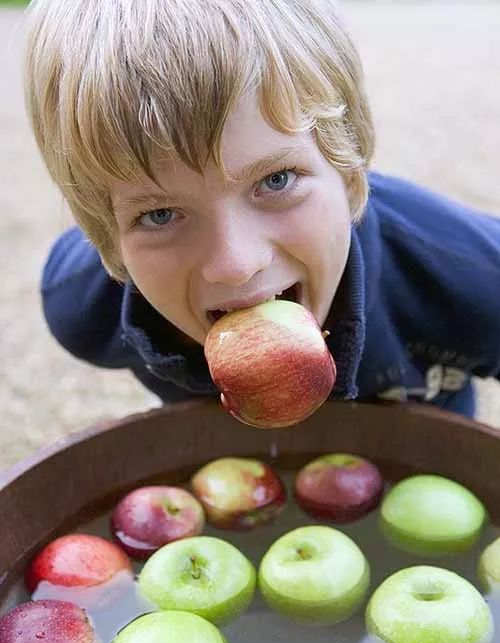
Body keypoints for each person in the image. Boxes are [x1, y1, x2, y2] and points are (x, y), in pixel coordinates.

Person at [25, 0, 500, 419]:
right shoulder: (83, 309)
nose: (236, 265)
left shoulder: (469, 276)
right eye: (160, 215)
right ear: (111, 245)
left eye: (276, 180)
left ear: (352, 175)